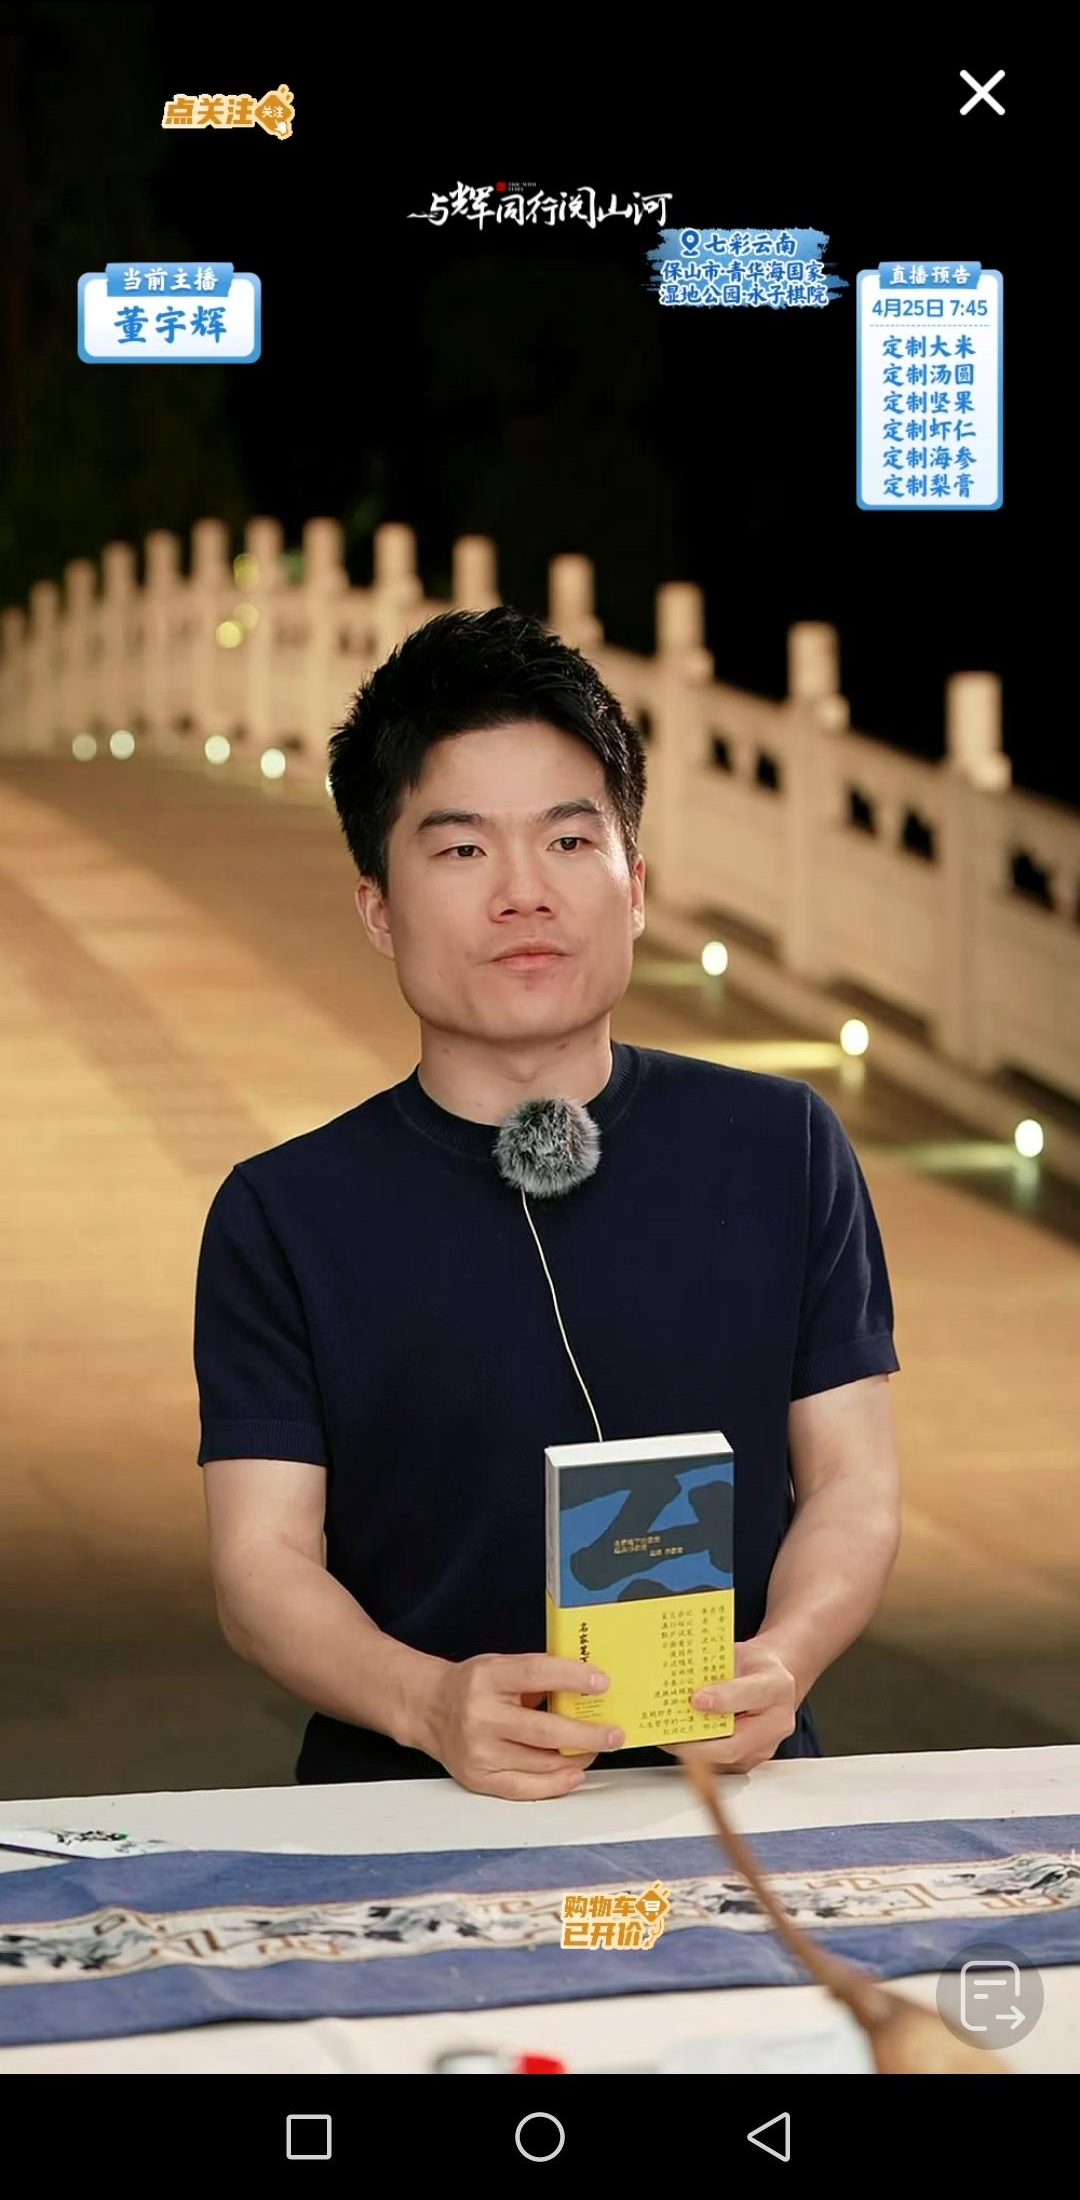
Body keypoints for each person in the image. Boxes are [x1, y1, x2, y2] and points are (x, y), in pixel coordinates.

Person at [194, 606, 901, 1798]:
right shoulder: (284, 1215)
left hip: (731, 1798)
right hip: (411, 1813)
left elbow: (852, 1484)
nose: (525, 894)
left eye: (571, 841)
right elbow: (258, 1566)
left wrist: (785, 1657)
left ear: (636, 886)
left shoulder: (781, 1146)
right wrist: (427, 1703)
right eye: (462, 851)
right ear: (378, 908)